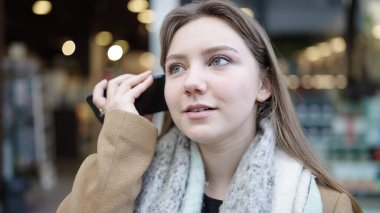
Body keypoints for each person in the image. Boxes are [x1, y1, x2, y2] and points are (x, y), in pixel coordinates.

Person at [58, 0, 362, 212]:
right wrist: (122, 142)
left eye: (219, 60)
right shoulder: (126, 180)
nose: (192, 82)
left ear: (264, 84)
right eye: (176, 68)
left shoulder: (324, 205)